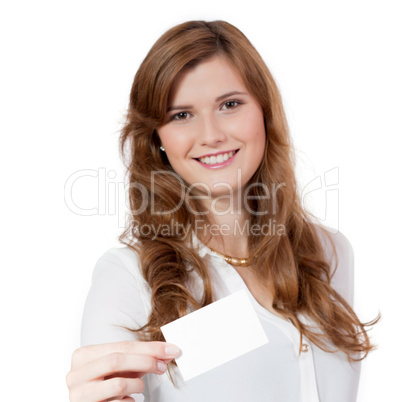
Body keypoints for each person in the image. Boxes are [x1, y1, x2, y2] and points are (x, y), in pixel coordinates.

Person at [66, 20, 378, 402]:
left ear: (264, 110)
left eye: (230, 105)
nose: (211, 134)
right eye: (181, 115)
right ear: (157, 138)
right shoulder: (129, 278)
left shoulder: (330, 252)